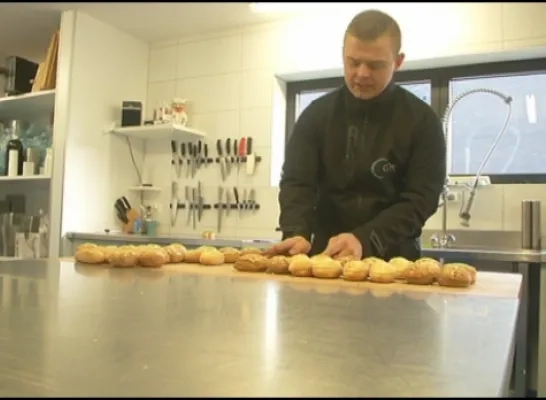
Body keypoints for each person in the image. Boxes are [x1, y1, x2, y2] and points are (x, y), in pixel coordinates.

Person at [266, 9, 446, 261]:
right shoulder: (316, 116)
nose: (362, 73)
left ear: (398, 62)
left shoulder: (422, 121)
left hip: (394, 261)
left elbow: (421, 199)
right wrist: (296, 231)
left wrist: (365, 239)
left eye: (375, 65)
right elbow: (297, 183)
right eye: (353, 62)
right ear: (343, 55)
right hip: (325, 258)